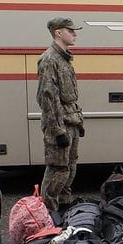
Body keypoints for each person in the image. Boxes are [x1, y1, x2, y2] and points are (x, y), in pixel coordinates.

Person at [37, 17, 85, 214]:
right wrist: (58, 130)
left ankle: (64, 206)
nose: (74, 34)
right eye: (70, 30)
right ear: (58, 32)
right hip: (61, 125)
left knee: (70, 167)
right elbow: (48, 97)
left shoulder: (64, 58)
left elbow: (69, 96)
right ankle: (47, 213)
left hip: (71, 121)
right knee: (58, 169)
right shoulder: (49, 59)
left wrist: (78, 120)